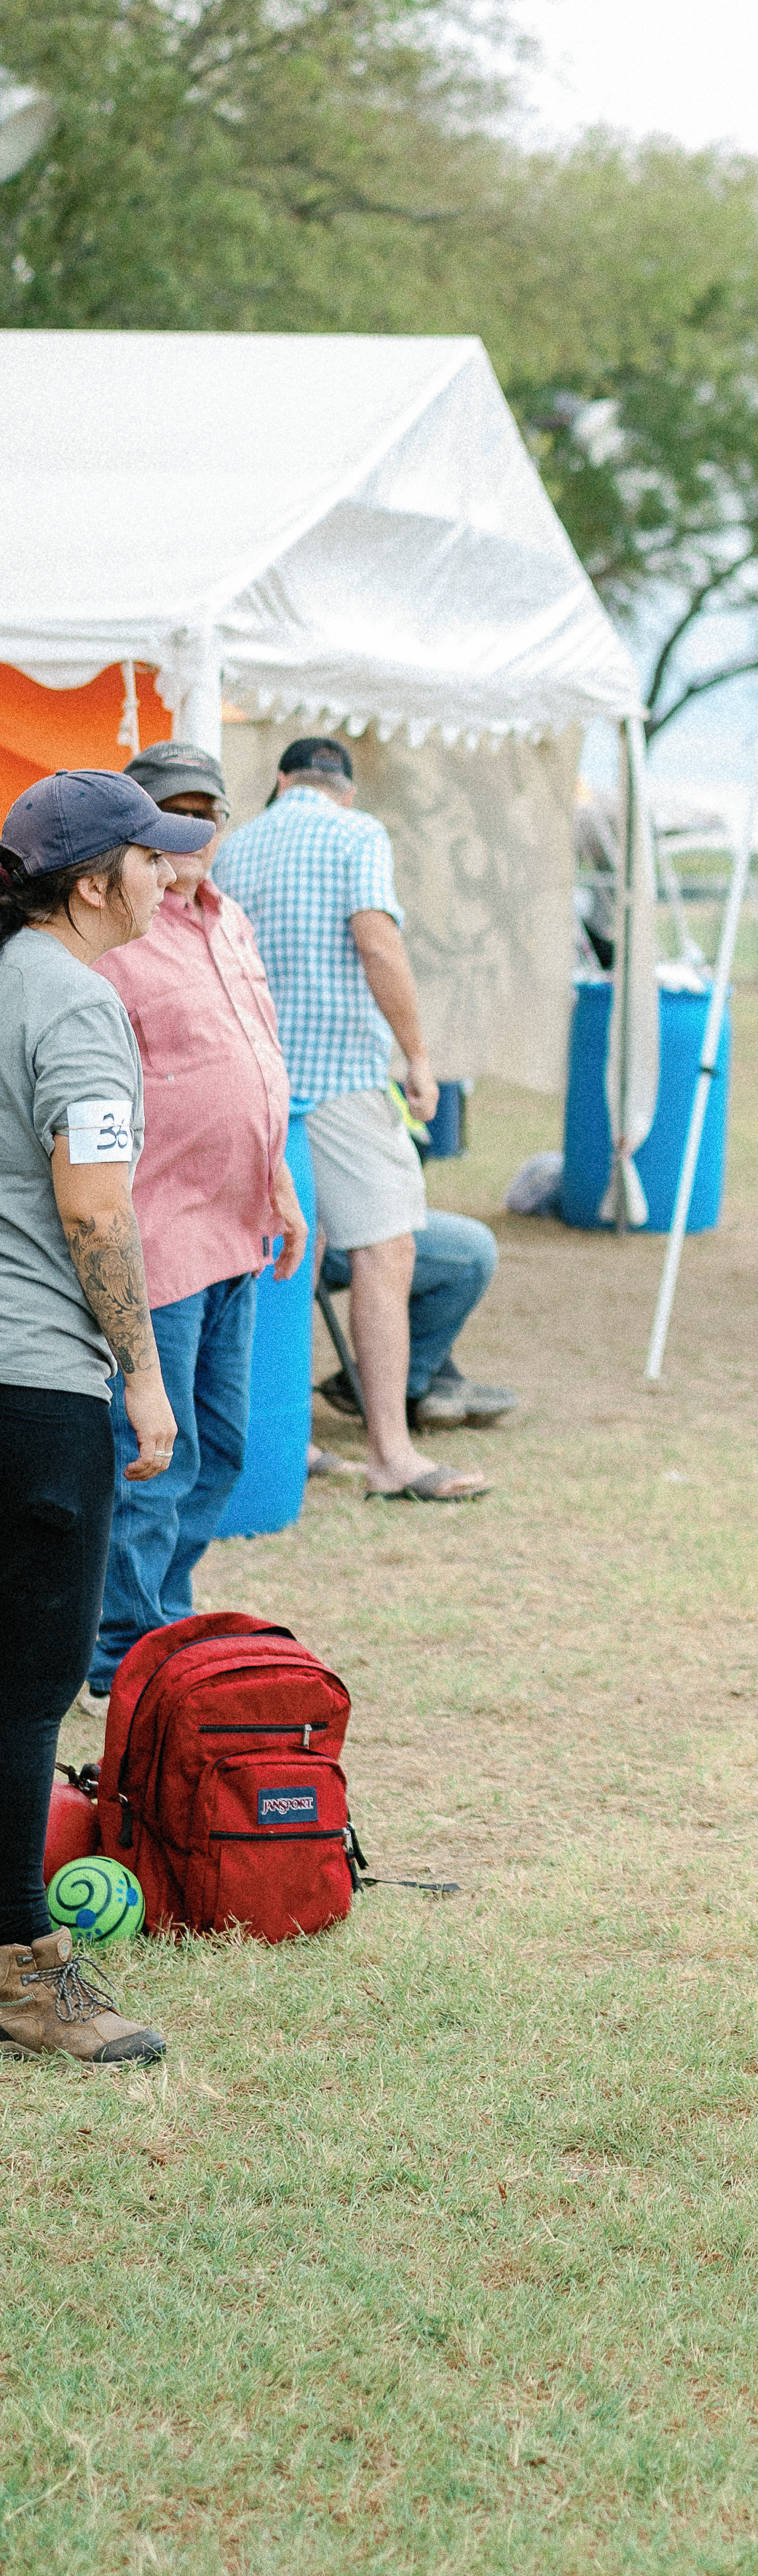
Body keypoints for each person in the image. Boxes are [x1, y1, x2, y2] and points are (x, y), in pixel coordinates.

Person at [0, 768, 213, 2063]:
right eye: (153, 857)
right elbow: (92, 1206)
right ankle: (26, 1966)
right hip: (37, 1383)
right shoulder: (75, 999)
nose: (172, 874)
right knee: (28, 1687)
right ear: (93, 883)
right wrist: (140, 1368)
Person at [84, 744, 308, 1699]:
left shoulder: (233, 922)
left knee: (221, 1445)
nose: (193, 830)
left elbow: (257, 1060)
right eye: (171, 811)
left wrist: (283, 1188)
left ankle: (161, 1616)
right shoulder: (118, 936)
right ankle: (123, 1649)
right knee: (153, 1453)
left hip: (237, 1223)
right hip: (157, 1229)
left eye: (205, 809)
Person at [211, 737, 488, 1504]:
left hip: (256, 1081)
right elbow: (377, 941)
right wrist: (420, 1057)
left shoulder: (237, 847)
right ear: (348, 789)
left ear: (280, 781)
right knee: (386, 1252)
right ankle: (390, 1454)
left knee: (282, 1259)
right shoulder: (357, 834)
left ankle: (284, 1440)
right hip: (340, 1079)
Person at [316, 1214, 515, 1432]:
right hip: (311, 1231)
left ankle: (410, 1374)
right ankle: (396, 1383)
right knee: (473, 1252)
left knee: (398, 1224)